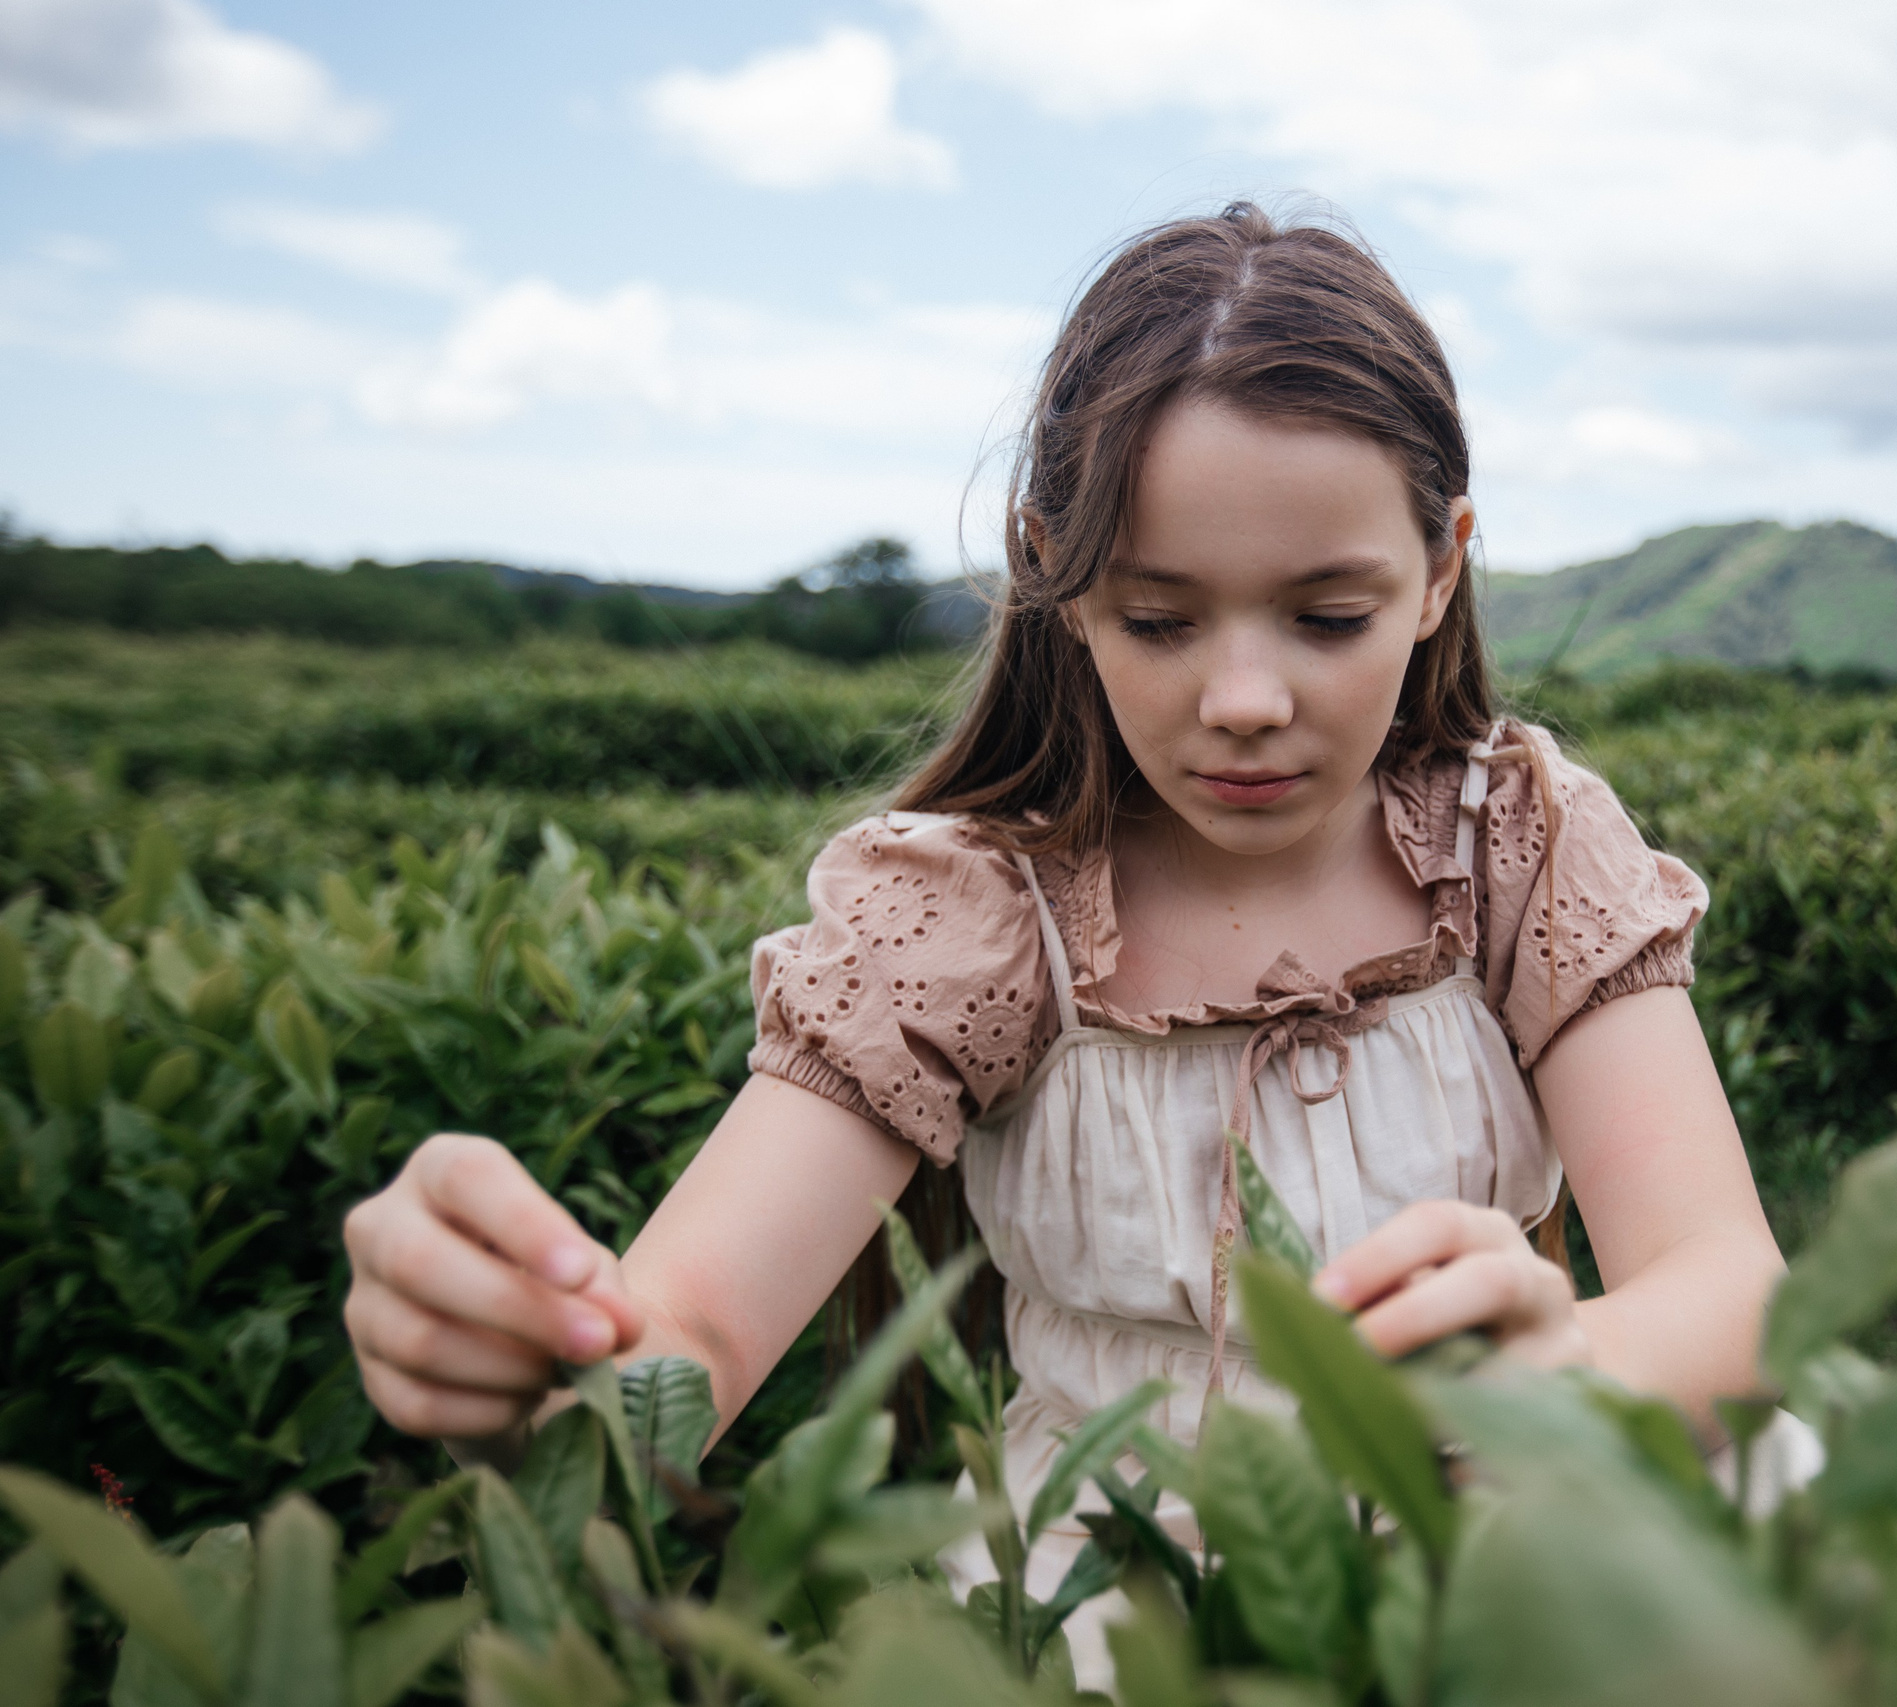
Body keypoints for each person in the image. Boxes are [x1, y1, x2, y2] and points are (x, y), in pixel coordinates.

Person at [339, 202, 1809, 1670]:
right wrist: (521, 1357)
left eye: (1327, 616)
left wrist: (1570, 1371)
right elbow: (692, 1338)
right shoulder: (976, 918)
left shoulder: (1519, 848)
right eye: (1161, 620)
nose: (1245, 700)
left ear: (1441, 571)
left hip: (1493, 1576)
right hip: (1104, 1621)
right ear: (1058, 573)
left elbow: (1728, 1287)